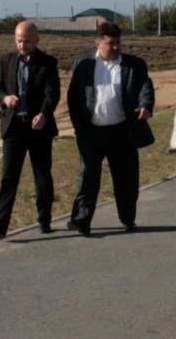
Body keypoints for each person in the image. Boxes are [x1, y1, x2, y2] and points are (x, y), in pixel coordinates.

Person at [66, 21, 155, 235]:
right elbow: (73, 97)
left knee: (126, 180)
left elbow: (145, 87)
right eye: (109, 43)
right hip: (91, 132)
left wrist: (145, 105)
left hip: (122, 132)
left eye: (118, 43)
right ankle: (81, 221)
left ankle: (127, 218)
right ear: (98, 44)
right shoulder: (83, 64)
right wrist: (80, 127)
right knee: (88, 178)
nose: (115, 47)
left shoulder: (134, 64)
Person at [0, 20, 59, 238]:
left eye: (26, 41)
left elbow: (52, 94)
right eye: (19, 41)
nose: (22, 45)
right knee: (8, 178)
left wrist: (43, 114)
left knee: (42, 176)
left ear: (36, 40)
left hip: (38, 129)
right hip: (14, 128)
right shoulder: (6, 61)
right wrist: (5, 98)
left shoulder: (48, 63)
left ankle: (44, 220)